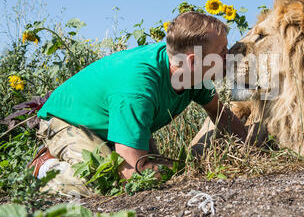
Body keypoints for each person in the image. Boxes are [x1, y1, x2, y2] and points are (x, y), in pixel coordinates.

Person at [29, 11, 247, 197]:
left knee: (157, 171)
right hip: (67, 121)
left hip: (110, 126)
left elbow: (222, 116)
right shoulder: (138, 86)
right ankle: (45, 168)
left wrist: (256, 146)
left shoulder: (193, 76)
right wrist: (177, 169)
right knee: (106, 181)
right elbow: (134, 171)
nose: (229, 56)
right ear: (193, 60)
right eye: (222, 52)